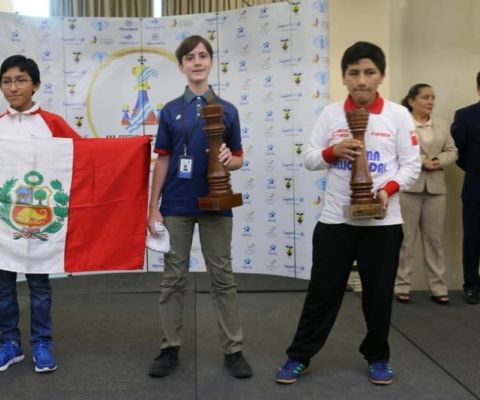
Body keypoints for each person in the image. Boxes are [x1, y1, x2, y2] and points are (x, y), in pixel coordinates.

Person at [275, 41, 420, 386]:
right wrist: (332, 151)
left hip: (382, 223)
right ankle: (299, 355)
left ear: (381, 76)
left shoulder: (398, 115)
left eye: (369, 72)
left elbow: (411, 166)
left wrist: (387, 191)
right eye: (354, 73)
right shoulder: (330, 114)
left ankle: (378, 356)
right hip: (336, 221)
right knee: (322, 294)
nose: (362, 80)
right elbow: (310, 158)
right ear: (343, 77)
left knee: (378, 297)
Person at [147, 35, 252, 379]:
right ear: (181, 66)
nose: (197, 62)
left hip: (216, 204)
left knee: (222, 278)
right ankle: (169, 347)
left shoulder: (228, 110)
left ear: (211, 62)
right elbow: (163, 160)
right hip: (176, 203)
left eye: (203, 56)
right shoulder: (170, 111)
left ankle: (233, 350)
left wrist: (229, 160)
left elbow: (238, 158)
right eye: (190, 57)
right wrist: (153, 207)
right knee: (173, 279)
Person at [0, 55, 81, 373]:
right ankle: (9, 344)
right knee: (3, 288)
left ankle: (42, 343)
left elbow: (85, 159)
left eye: (21, 80)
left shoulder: (52, 124)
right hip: (3, 223)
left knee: (39, 288)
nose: (13, 87)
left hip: (42, 222)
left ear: (35, 85)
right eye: (7, 81)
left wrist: (130, 153)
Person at [394, 84, 457, 305]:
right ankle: (402, 286)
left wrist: (438, 161)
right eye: (425, 97)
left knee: (434, 240)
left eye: (433, 97)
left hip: (436, 189)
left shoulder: (442, 125)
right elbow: (397, 150)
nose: (430, 101)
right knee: (406, 240)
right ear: (412, 101)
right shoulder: (402, 123)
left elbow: (452, 151)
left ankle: (438, 287)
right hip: (409, 187)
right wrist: (422, 162)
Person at [450, 71, 480, 305]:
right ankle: (471, 285)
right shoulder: (465, 116)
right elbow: (458, 153)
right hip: (475, 187)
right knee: (472, 239)